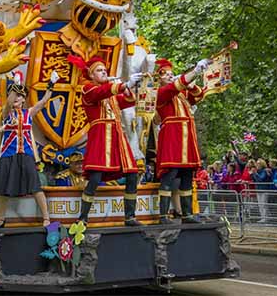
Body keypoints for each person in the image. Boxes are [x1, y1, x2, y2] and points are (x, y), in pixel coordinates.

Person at [70, 55, 143, 226]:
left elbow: (128, 101)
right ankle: (83, 217)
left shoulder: (110, 95)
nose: (104, 72)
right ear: (91, 75)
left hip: (117, 138)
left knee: (132, 174)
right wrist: (123, 84)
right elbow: (99, 93)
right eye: (99, 70)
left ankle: (130, 216)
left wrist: (128, 88)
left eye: (104, 70)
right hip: (101, 137)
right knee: (95, 177)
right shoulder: (87, 89)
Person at [0, 71, 54, 228]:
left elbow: (44, 101)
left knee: (35, 185)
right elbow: (8, 101)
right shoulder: (6, 113)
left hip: (26, 154)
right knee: (2, 187)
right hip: (8, 154)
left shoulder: (28, 113)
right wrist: (16, 85)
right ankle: (2, 218)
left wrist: (51, 85)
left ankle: (46, 218)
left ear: (24, 99)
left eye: (20, 96)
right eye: (15, 96)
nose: (17, 98)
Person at [153, 58, 209, 224]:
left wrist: (192, 86)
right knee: (169, 175)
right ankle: (163, 215)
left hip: (187, 138)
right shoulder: (161, 93)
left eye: (171, 74)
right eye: (166, 75)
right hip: (172, 137)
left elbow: (199, 96)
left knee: (186, 175)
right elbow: (176, 86)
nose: (170, 76)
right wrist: (194, 72)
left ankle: (187, 214)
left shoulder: (180, 95)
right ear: (159, 79)